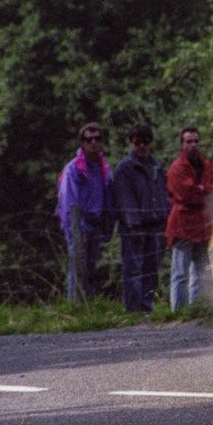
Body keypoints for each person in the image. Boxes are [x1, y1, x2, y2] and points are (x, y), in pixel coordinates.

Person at [112, 123, 168, 312]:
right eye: (137, 142)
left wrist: (164, 218)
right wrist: (134, 224)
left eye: (145, 142)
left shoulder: (156, 166)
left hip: (155, 224)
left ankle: (147, 306)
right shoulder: (124, 169)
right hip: (134, 227)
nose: (141, 146)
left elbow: (161, 194)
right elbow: (125, 198)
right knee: (134, 269)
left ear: (150, 143)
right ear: (131, 144)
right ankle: (133, 309)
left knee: (151, 269)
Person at [56, 122, 114, 300]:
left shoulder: (103, 167)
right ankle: (74, 307)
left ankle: (89, 308)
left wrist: (108, 224)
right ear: (82, 142)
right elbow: (68, 203)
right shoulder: (73, 169)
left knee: (91, 270)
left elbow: (108, 197)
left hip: (96, 225)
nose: (94, 143)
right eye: (89, 139)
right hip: (79, 225)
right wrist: (77, 231)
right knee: (77, 269)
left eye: (97, 138)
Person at [165, 127, 213, 311]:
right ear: (182, 144)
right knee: (180, 272)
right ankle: (178, 310)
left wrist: (203, 189)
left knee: (201, 271)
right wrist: (203, 190)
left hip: (202, 225)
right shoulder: (177, 168)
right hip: (182, 225)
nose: (193, 145)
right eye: (189, 141)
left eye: (196, 141)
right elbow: (185, 194)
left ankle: (197, 308)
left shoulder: (205, 164)